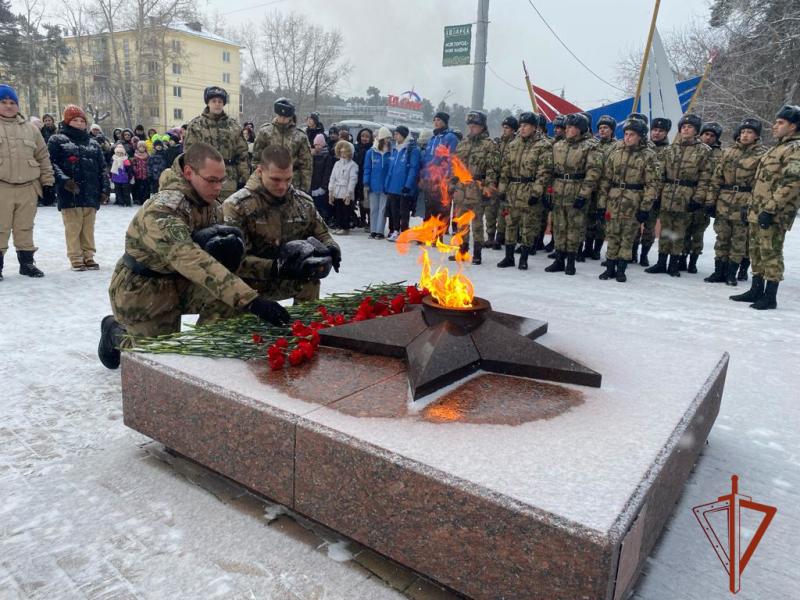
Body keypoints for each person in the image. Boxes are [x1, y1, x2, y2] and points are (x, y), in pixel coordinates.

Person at [99, 142, 293, 369]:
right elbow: (190, 258)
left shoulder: (210, 205)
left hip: (183, 282)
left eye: (221, 180)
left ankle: (205, 361)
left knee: (228, 301)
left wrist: (276, 268)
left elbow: (220, 263)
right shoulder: (162, 210)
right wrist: (251, 300)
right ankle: (115, 333)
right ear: (189, 172)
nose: (219, 187)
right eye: (212, 180)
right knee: (158, 362)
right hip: (144, 290)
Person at [224, 144, 340, 304]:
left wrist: (331, 247)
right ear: (260, 171)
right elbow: (234, 261)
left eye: (288, 179)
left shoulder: (303, 202)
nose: (283, 186)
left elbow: (322, 233)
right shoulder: (236, 206)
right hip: (249, 283)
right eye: (276, 179)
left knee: (310, 280)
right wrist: (275, 267)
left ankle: (304, 327)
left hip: (289, 277)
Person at [730, 105, 800, 310]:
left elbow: (792, 183)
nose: (774, 126)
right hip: (758, 210)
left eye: (780, 123)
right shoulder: (777, 147)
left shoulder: (795, 149)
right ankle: (756, 289)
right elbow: (763, 181)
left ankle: (770, 296)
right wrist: (751, 207)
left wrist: (770, 209)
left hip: (774, 213)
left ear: (793, 126)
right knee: (756, 251)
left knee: (770, 252)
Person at [645, 113, 712, 277]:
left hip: (687, 195)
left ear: (696, 131)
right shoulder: (670, 149)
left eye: (689, 127)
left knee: (679, 232)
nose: (686, 129)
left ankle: (674, 264)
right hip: (668, 194)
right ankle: (661, 262)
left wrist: (698, 198)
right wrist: (656, 196)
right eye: (683, 127)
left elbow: (705, 177)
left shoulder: (704, 151)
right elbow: (659, 174)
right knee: (666, 230)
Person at [0, 84, 54, 280]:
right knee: (0, 228)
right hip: (1, 188)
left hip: (28, 187)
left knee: (25, 227)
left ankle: (27, 264)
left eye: (12, 102)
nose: (8, 106)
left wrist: (47, 184)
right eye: (3, 102)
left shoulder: (31, 129)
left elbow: (43, 157)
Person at [596, 119, 661, 282]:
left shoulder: (649, 156)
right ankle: (609, 267)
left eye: (632, 135)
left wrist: (645, 207)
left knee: (627, 237)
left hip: (633, 200)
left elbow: (652, 184)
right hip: (614, 199)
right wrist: (601, 204)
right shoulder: (616, 153)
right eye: (626, 134)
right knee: (612, 234)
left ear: (640, 137)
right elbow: (605, 180)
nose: (628, 137)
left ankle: (621, 269)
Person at [47, 104, 109, 271]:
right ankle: (75, 256)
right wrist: (64, 181)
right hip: (70, 192)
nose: (79, 123)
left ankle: (89, 255)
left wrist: (104, 189)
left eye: (82, 120)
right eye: (75, 120)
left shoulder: (93, 143)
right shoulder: (57, 140)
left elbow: (103, 168)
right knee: (73, 226)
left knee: (88, 227)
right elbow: (51, 164)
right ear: (67, 121)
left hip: (91, 192)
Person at [705, 118, 766, 286]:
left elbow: (761, 184)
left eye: (750, 132)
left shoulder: (762, 155)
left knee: (739, 239)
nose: (745, 135)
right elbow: (716, 177)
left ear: (756, 136)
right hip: (724, 200)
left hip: (745, 202)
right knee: (722, 237)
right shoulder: (728, 152)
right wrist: (711, 201)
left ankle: (732, 272)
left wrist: (754, 206)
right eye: (743, 132)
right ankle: (719, 271)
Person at [545, 113, 603, 275]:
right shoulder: (558, 145)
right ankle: (559, 259)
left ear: (581, 129)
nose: (568, 130)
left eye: (572, 127)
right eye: (567, 127)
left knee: (574, 227)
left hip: (576, 189)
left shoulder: (591, 146)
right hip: (558, 190)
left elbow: (593, 173)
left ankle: (571, 261)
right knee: (558, 225)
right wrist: (548, 192)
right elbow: (549, 170)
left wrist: (583, 195)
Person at [496, 112, 552, 270]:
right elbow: (505, 168)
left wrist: (536, 192)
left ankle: (524, 258)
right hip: (513, 189)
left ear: (534, 127)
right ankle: (509, 257)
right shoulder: (513, 144)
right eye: (521, 125)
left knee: (528, 226)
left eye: (526, 125)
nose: (522, 128)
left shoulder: (543, 145)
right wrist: (502, 188)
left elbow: (544, 172)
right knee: (510, 224)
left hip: (529, 189)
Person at [449, 110, 499, 265]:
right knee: (461, 222)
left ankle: (477, 253)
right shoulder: (463, 143)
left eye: (475, 125)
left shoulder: (489, 145)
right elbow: (455, 165)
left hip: (477, 188)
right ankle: (462, 251)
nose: (471, 128)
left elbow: (492, 169)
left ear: (482, 126)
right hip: (461, 188)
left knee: (477, 223)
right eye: (470, 125)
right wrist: (452, 183)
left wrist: (488, 189)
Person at [183, 86, 249, 200]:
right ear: (208, 103)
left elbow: (242, 155)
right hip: (204, 179)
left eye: (220, 101)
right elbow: (189, 155)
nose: (217, 104)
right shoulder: (196, 126)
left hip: (229, 181)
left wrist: (244, 179)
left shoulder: (234, 127)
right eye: (214, 101)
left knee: (228, 214)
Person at [681, 121, 724, 273]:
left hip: (707, 198)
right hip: (690, 194)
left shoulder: (720, 155)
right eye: (706, 134)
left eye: (712, 136)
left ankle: (693, 260)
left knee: (698, 232)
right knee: (684, 229)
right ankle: (682, 258)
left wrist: (711, 200)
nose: (709, 138)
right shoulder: (694, 150)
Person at [252, 98, 312, 193]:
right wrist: (258, 181)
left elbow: (306, 165)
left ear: (291, 116)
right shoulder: (265, 132)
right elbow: (256, 159)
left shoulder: (300, 136)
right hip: (269, 180)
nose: (282, 119)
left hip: (293, 182)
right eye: (280, 115)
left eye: (286, 116)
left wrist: (304, 189)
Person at [634, 116, 671, 266]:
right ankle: (632, 252)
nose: (656, 133)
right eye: (654, 130)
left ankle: (644, 254)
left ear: (666, 133)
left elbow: (668, 176)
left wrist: (659, 196)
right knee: (634, 225)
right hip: (637, 193)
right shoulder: (642, 148)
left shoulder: (670, 151)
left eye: (660, 131)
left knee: (649, 228)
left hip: (656, 196)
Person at [585, 114, 617, 261]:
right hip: (592, 188)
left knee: (601, 222)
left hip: (606, 189)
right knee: (589, 219)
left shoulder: (617, 147)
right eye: (600, 128)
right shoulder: (593, 145)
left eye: (606, 128)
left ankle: (597, 250)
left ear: (612, 130)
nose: (602, 130)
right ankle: (587, 248)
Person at [420, 112, 459, 225]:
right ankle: (426, 232)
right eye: (435, 120)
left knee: (439, 209)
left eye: (439, 120)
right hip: (429, 179)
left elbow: (452, 159)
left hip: (441, 179)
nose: (436, 122)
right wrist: (423, 176)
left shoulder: (450, 137)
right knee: (428, 208)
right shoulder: (433, 138)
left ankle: (437, 236)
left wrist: (448, 178)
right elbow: (427, 159)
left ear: (445, 122)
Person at [384, 125, 421, 240]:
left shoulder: (412, 150)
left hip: (403, 186)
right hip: (393, 186)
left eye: (397, 134)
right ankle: (395, 230)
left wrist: (408, 185)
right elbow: (391, 169)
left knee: (403, 211)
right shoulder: (395, 149)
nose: (394, 136)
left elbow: (413, 169)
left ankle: (404, 232)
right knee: (394, 210)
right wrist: (387, 184)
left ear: (403, 135)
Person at [486, 115, 518, 249]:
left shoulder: (516, 144)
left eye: (507, 128)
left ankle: (500, 237)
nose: (504, 130)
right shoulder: (498, 143)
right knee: (490, 210)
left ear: (513, 130)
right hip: (495, 181)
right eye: (503, 127)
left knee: (503, 211)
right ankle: (490, 237)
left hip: (508, 182)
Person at [363, 127, 392, 239]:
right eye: (386, 138)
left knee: (383, 209)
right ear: (380, 138)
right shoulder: (371, 152)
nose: (388, 141)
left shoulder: (391, 152)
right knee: (374, 208)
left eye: (389, 138)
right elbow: (367, 168)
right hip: (373, 185)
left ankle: (380, 231)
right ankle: (373, 230)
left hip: (385, 185)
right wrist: (366, 182)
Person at [328, 140, 358, 234]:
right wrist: (330, 190)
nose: (342, 154)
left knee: (346, 211)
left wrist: (349, 193)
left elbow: (353, 180)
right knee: (338, 210)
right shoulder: (337, 164)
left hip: (345, 191)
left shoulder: (353, 165)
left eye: (345, 152)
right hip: (337, 190)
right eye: (341, 152)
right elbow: (332, 177)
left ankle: (345, 228)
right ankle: (339, 225)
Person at [310, 133, 334, 223]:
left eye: (319, 144)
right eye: (315, 144)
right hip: (312, 185)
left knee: (322, 206)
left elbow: (327, 173)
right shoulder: (312, 156)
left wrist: (323, 187)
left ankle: (324, 220)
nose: (317, 147)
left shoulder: (327, 156)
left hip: (321, 185)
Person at [354, 127, 374, 231]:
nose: (364, 138)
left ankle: (370, 221)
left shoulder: (372, 149)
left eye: (367, 136)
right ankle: (362, 220)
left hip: (366, 177)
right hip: (356, 177)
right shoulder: (355, 148)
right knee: (360, 200)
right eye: (362, 136)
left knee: (367, 200)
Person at [131, 141, 150, 205]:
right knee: (138, 188)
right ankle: (138, 200)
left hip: (145, 174)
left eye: (143, 147)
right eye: (140, 147)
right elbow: (133, 164)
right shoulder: (135, 155)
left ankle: (145, 200)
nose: (142, 148)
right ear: (138, 148)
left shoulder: (147, 155)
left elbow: (149, 164)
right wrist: (134, 169)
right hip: (138, 174)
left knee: (146, 188)